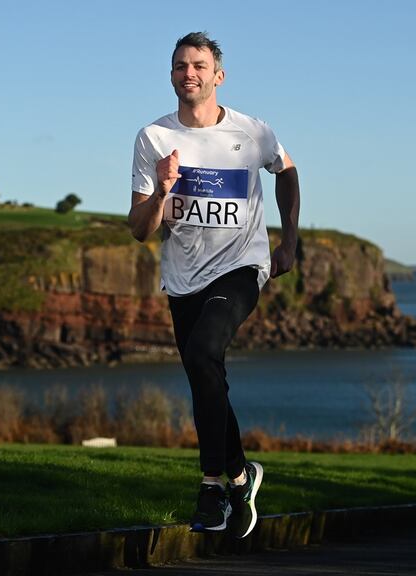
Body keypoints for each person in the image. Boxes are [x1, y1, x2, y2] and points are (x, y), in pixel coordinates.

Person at [128, 31, 300, 539]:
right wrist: (161, 190)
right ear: (172, 75)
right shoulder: (154, 138)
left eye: (199, 66)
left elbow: (287, 172)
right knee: (205, 375)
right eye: (181, 66)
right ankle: (243, 476)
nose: (190, 74)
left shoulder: (253, 133)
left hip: (242, 266)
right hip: (183, 279)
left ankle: (210, 487)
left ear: (218, 76)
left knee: (204, 352)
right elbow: (140, 229)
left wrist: (288, 241)